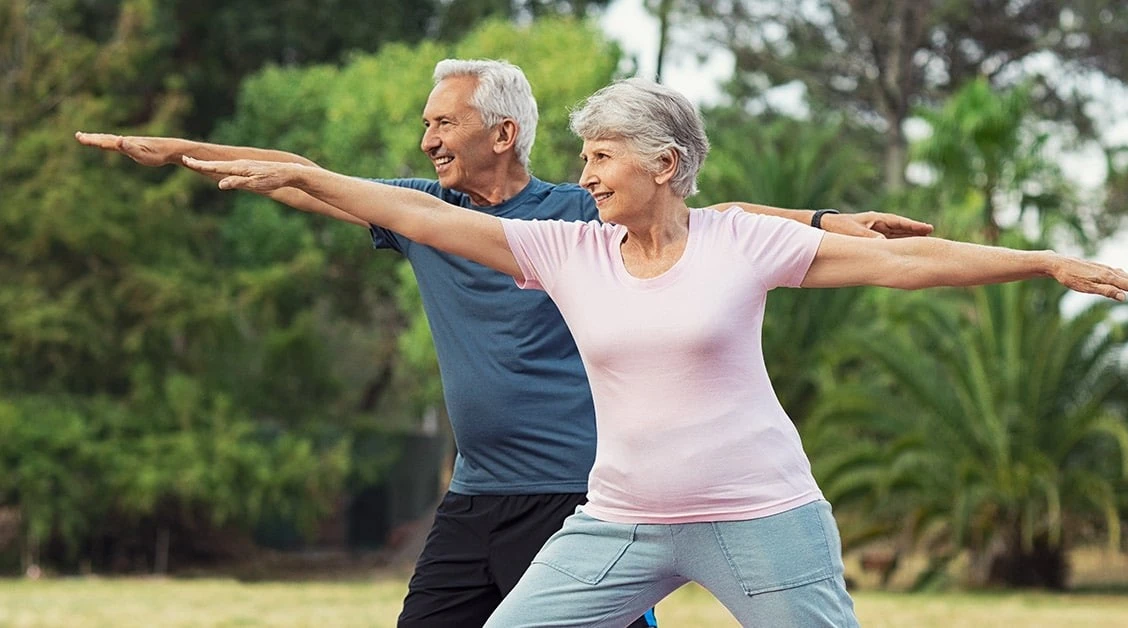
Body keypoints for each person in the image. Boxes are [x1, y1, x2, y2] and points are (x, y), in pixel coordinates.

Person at [177, 76, 1128, 626]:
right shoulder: (566, 251)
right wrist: (301, 175)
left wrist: (1042, 262)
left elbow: (907, 264)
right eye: (583, 157)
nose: (585, 175)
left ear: (665, 164)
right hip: (622, 522)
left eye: (602, 156)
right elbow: (421, 216)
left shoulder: (742, 241)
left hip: (761, 517)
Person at [77, 60, 933, 628]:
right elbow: (302, 174)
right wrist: (180, 152)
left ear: (502, 133)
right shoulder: (425, 215)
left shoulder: (578, 215)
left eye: (444, 123)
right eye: (425, 125)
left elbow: (712, 219)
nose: (428, 140)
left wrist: (825, 221)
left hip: (576, 495)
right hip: (476, 491)